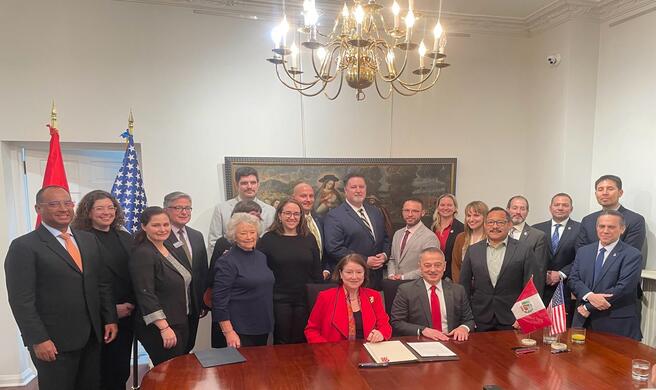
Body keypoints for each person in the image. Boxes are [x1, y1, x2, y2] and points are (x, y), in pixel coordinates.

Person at [5, 186, 118, 390]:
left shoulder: (88, 239)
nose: (63, 208)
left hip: (92, 337)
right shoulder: (24, 246)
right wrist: (38, 339)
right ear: (38, 208)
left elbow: (102, 283)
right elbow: (21, 300)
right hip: (54, 342)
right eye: (54, 204)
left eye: (67, 203)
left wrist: (109, 318)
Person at [71, 190, 134, 390]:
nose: (106, 212)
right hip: (98, 318)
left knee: (120, 369)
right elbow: (81, 283)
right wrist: (111, 310)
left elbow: (136, 274)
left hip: (128, 313)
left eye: (110, 207)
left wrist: (130, 304)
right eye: (99, 208)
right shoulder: (79, 239)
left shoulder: (125, 237)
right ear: (88, 212)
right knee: (99, 372)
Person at [130, 207, 191, 366]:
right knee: (171, 374)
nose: (162, 229)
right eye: (156, 225)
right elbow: (145, 294)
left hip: (178, 321)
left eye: (166, 224)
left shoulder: (169, 247)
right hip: (160, 328)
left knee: (179, 372)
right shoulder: (143, 253)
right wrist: (163, 327)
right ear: (144, 227)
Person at [568, 210, 642, 340]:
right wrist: (589, 296)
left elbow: (624, 287)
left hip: (615, 323)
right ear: (596, 228)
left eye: (611, 227)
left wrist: (588, 306)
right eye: (601, 226)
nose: (605, 231)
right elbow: (573, 279)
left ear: (622, 229)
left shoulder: (632, 254)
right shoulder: (583, 251)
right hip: (583, 321)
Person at [459, 207, 535, 331]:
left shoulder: (524, 249)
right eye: (490, 222)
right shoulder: (473, 250)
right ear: (485, 225)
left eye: (500, 222)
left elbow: (530, 286)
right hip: (479, 317)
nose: (495, 226)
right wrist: (467, 317)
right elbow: (464, 285)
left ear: (509, 225)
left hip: (512, 318)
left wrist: (524, 317)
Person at [258, 199, 323, 344]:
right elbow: (261, 270)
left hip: (304, 298)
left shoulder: (309, 238)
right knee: (282, 340)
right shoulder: (268, 239)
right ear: (279, 215)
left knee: (302, 339)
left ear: (301, 217)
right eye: (287, 213)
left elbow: (316, 270)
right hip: (278, 299)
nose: (292, 217)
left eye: (296, 214)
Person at [213, 213, 274, 347]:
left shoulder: (261, 257)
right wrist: (228, 332)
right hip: (239, 329)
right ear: (234, 236)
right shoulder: (226, 261)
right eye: (243, 233)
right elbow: (219, 300)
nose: (249, 237)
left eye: (252, 232)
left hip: (262, 325)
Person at [206, 200, 262, 348]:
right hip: (232, 319)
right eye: (248, 217)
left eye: (256, 219)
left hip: (257, 321)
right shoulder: (225, 248)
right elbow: (215, 284)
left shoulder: (260, 250)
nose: (251, 223)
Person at [324, 173, 391, 290]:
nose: (358, 190)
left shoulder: (375, 212)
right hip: (351, 280)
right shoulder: (335, 216)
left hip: (376, 279)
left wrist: (385, 255)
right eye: (354, 187)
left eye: (361, 187)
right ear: (345, 190)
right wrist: (365, 261)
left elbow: (385, 238)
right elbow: (334, 248)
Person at [390, 248, 474, 340]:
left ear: (444, 266)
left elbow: (469, 320)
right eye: (427, 265)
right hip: (420, 341)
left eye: (438, 265)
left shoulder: (458, 290)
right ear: (420, 267)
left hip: (451, 341)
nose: (433, 270)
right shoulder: (406, 290)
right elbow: (397, 322)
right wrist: (422, 330)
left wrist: (464, 328)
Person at [305, 254, 392, 343]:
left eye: (359, 272)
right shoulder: (325, 297)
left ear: (364, 274)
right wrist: (326, 349)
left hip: (368, 350)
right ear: (341, 274)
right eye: (349, 272)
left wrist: (381, 333)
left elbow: (385, 326)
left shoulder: (374, 296)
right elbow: (311, 330)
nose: (354, 277)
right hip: (334, 352)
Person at [163, 192, 209, 353]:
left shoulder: (196, 236)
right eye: (179, 208)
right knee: (172, 354)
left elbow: (202, 270)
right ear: (166, 209)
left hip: (194, 305)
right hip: (171, 308)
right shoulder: (160, 235)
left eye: (188, 208)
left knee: (188, 346)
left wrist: (202, 302)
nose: (184, 212)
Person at [207, 166, 276, 255]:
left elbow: (271, 242)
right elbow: (213, 242)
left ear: (258, 184)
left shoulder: (271, 211)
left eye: (253, 182)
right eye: (244, 183)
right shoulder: (221, 209)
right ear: (236, 185)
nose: (249, 186)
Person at [533, 193, 580, 318]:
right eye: (557, 205)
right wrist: (544, 274)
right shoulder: (536, 229)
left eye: (565, 205)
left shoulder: (580, 229)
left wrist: (561, 274)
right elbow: (531, 258)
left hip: (565, 287)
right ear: (550, 207)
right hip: (540, 287)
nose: (560, 208)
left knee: (562, 330)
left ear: (571, 209)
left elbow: (581, 258)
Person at [576, 175, 646, 252]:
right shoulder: (587, 220)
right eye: (600, 189)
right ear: (596, 194)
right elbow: (581, 250)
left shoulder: (635, 220)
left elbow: (630, 254)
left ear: (620, 193)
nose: (605, 193)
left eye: (610, 189)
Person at [387, 199, 439, 280]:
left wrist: (403, 277)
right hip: (394, 284)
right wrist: (391, 275)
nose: (410, 214)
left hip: (415, 286)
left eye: (415, 211)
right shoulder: (397, 234)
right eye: (407, 210)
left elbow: (430, 267)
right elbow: (392, 259)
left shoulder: (429, 237)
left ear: (423, 213)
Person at [507, 195, 548, 294]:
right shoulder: (497, 233)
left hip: (523, 293)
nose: (518, 212)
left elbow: (539, 272)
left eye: (522, 209)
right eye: (515, 208)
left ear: (527, 212)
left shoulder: (537, 236)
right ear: (507, 210)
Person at [293, 182, 330, 279]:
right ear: (293, 198)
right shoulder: (289, 224)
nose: (308, 200)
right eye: (303, 196)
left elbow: (326, 249)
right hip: (297, 280)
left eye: (311, 196)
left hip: (320, 279)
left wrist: (326, 270)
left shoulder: (320, 220)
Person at [451, 201, 488, 284]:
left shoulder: (491, 238)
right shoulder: (460, 237)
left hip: (484, 289)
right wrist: (459, 287)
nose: (471, 219)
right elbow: (455, 266)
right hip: (463, 287)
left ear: (485, 217)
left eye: (476, 215)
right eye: (468, 215)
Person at [430, 194, 464, 281]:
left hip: (451, 277)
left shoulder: (462, 229)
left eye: (449, 205)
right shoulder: (431, 227)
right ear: (437, 207)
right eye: (442, 205)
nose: (445, 208)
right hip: (431, 273)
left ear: (455, 208)